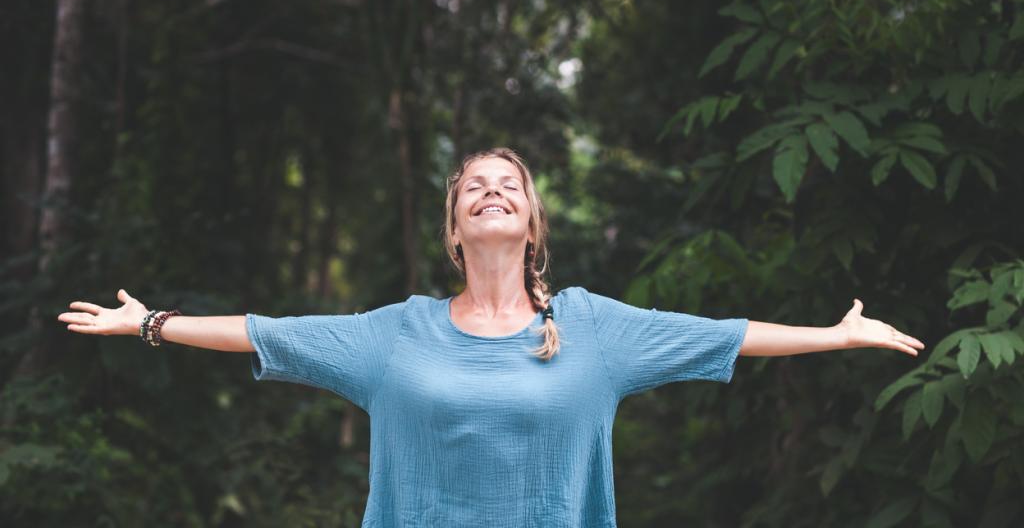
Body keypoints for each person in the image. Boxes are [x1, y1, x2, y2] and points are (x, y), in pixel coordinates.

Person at [57, 147, 925, 527]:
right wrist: (153, 322)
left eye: (508, 183)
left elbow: (723, 337)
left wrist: (834, 337)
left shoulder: (594, 327)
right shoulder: (394, 335)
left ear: (533, 222)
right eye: (473, 185)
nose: (491, 190)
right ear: (456, 229)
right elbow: (265, 333)